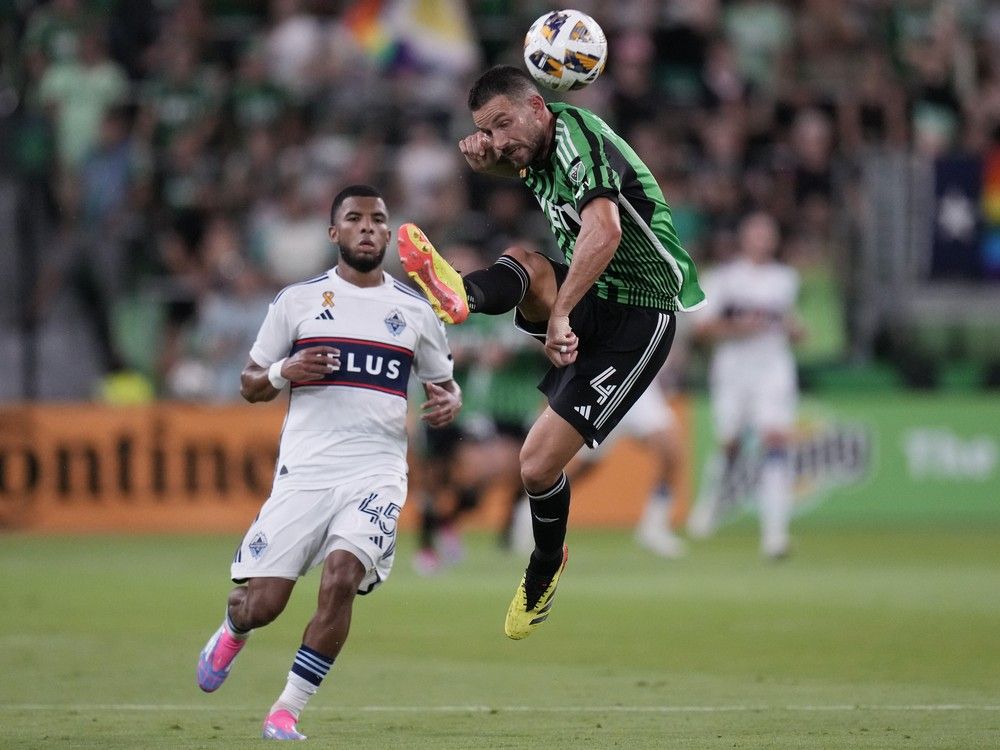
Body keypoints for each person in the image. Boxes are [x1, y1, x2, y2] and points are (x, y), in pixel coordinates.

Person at [397, 65, 705, 640]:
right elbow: (518, 162)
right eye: (486, 130)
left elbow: (606, 230)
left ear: (538, 106)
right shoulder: (530, 150)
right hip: (598, 293)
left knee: (536, 465)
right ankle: (460, 295)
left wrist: (561, 311)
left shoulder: (575, 139)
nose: (497, 139)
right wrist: (489, 159)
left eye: (503, 123)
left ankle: (544, 566)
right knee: (527, 261)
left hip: (642, 311)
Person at [195, 184, 461, 740]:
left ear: (389, 234)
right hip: (308, 472)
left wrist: (448, 400)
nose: (368, 227)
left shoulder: (415, 310)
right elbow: (250, 382)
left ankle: (286, 709)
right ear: (333, 232)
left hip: (378, 472)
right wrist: (281, 374)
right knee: (262, 604)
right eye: (355, 218)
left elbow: (444, 385)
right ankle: (233, 627)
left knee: (341, 577)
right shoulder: (296, 302)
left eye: (378, 219)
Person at [686, 210, 804, 559]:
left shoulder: (786, 279)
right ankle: (710, 505)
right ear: (744, 237)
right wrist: (741, 328)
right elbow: (702, 330)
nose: (763, 239)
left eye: (768, 234)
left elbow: (790, 324)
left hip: (773, 368)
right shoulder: (723, 278)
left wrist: (795, 330)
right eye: (756, 232)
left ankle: (775, 535)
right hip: (733, 369)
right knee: (731, 445)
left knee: (775, 440)